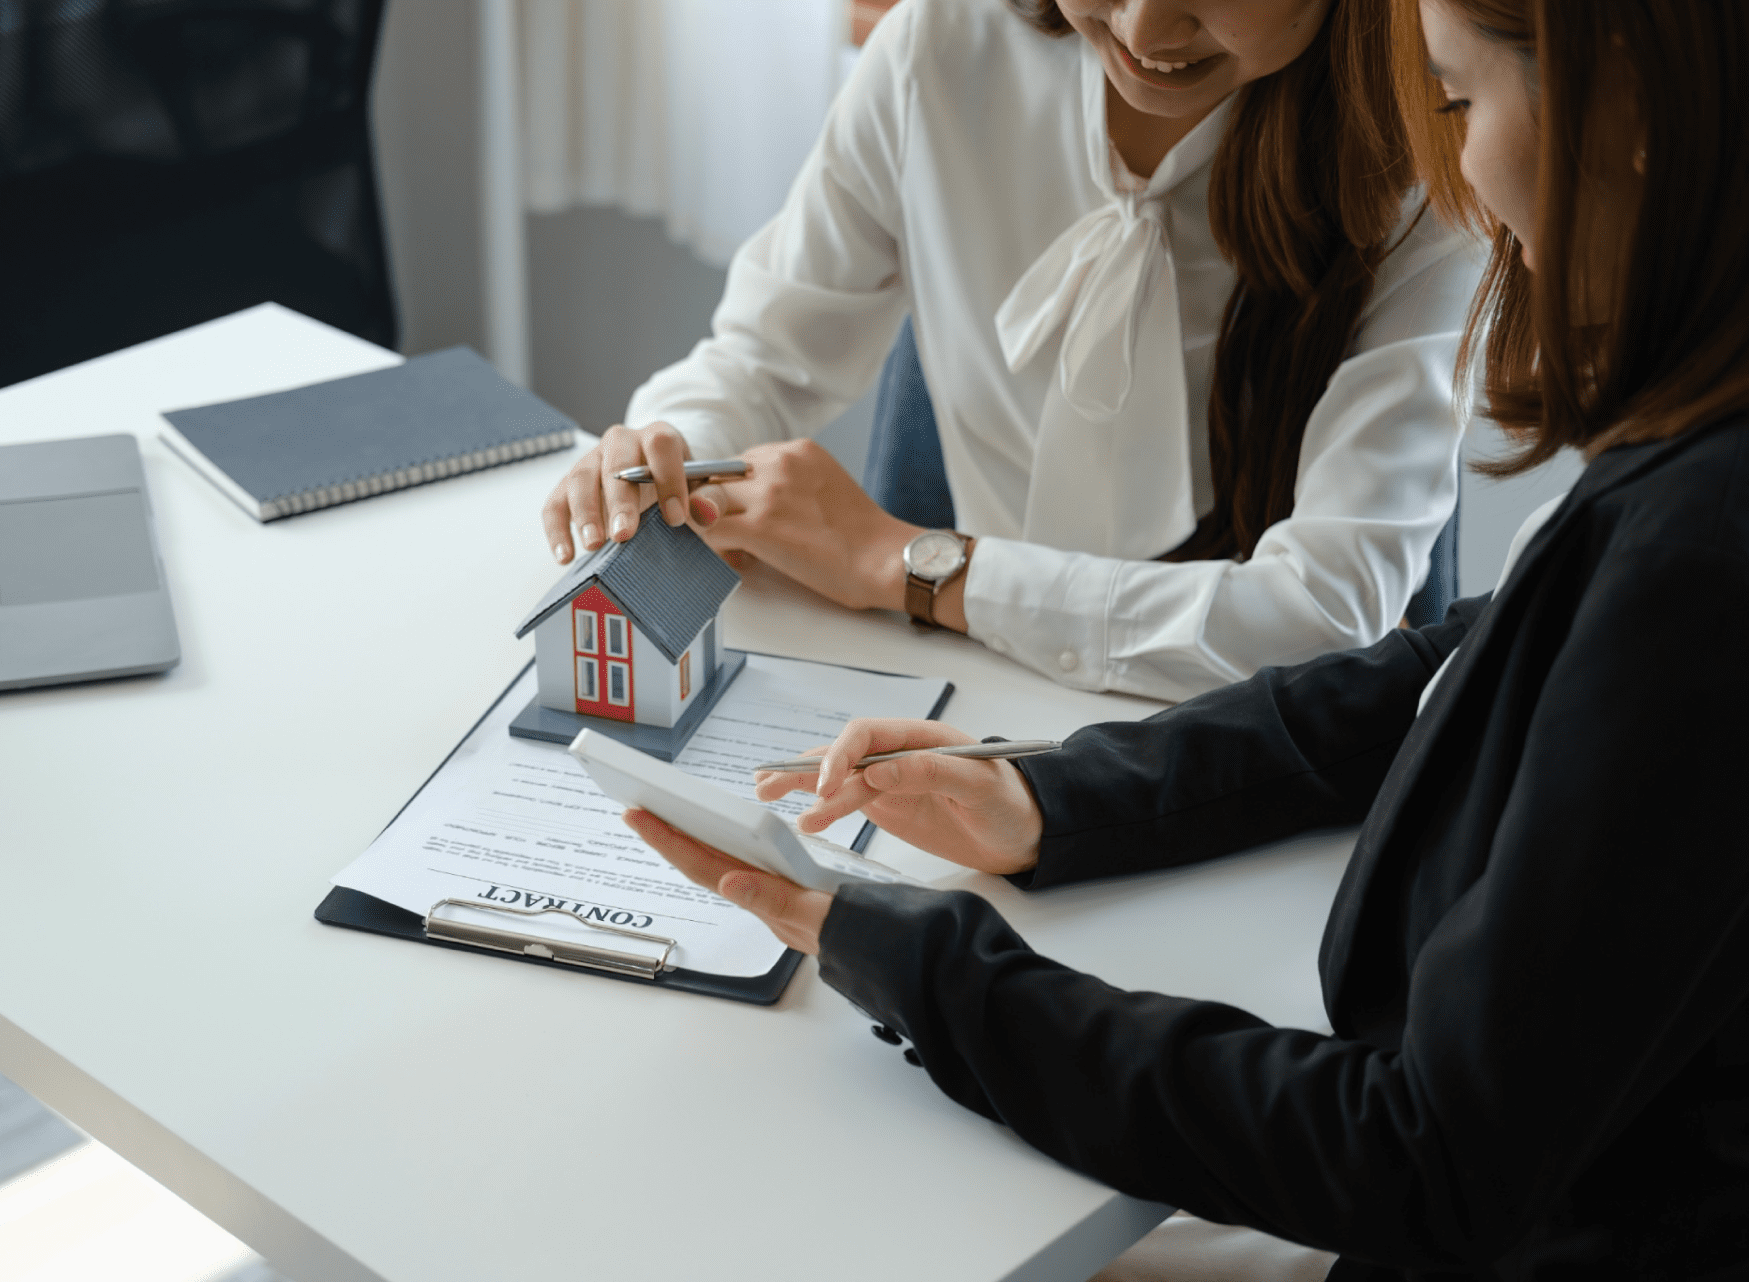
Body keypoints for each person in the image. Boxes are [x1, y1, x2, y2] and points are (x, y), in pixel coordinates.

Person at [624, 0, 1749, 1276]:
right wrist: (1048, 796)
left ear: (1624, 123)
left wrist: (929, 967)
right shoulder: (1681, 470)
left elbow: (1421, 1158)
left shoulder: (1697, 559)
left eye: (1458, 98)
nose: (1470, 180)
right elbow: (1437, 671)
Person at [539, 0, 1483, 704]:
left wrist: (912, 565)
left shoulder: (1435, 163)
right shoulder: (946, 42)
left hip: (1231, 735)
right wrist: (669, 443)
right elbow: (764, 354)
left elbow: (1325, 614)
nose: (1149, 29)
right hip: (954, 691)